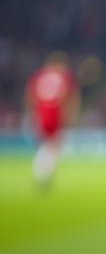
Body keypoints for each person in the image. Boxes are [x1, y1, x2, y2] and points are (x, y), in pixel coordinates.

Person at [26, 53, 79, 188]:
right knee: (54, 144)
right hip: (55, 112)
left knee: (46, 143)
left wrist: (33, 113)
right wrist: (69, 114)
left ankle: (44, 170)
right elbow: (68, 96)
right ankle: (43, 171)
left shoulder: (39, 76)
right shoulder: (63, 77)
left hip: (41, 111)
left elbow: (31, 95)